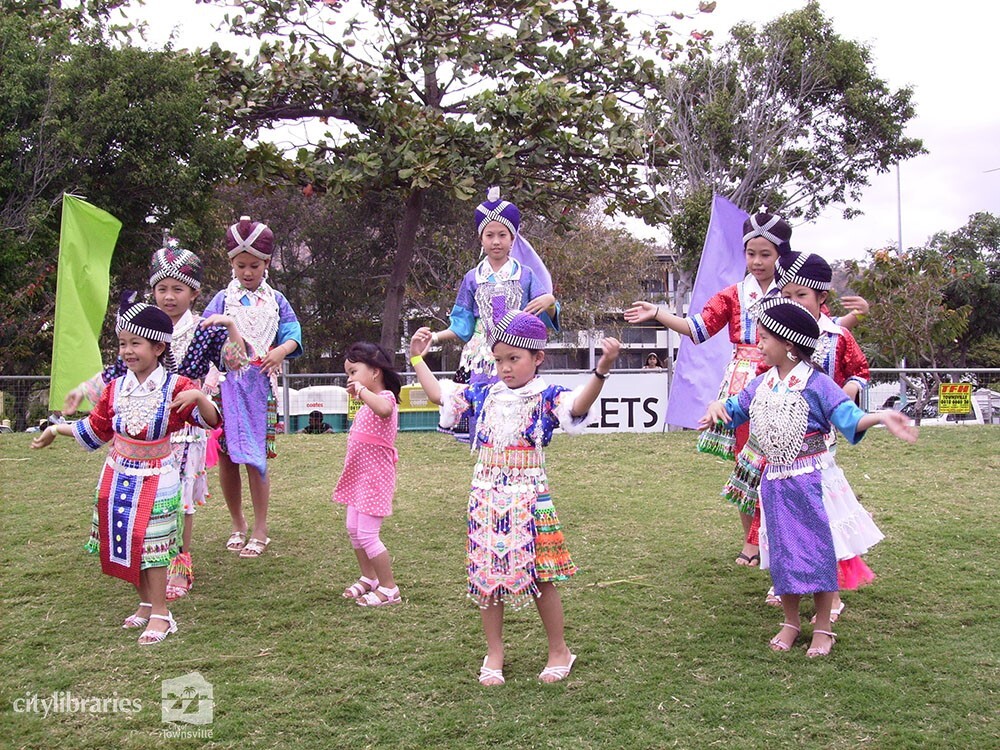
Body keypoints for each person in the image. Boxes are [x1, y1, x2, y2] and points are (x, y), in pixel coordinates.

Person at [409, 298, 620, 685]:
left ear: (537, 357)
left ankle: (560, 650)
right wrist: (418, 361)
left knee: (542, 576)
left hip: (530, 495)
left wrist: (601, 370)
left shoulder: (546, 395)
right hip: (486, 495)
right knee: (487, 577)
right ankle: (495, 651)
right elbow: (443, 397)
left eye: (514, 359)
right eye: (499, 359)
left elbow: (577, 405)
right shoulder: (484, 392)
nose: (505, 367)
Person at [699, 299, 917, 657]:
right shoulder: (762, 384)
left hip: (811, 479)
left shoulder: (818, 384)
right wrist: (715, 408)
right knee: (782, 550)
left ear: (788, 344)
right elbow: (735, 410)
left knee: (818, 551)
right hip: (775, 481)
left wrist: (879, 417)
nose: (760, 345)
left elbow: (848, 418)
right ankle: (790, 621)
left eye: (765, 338)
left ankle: (823, 626)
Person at [33, 293, 222, 644]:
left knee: (151, 545)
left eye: (136, 343)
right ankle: (147, 604)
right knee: (128, 541)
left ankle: (163, 615)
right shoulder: (116, 388)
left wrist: (200, 397)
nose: (127, 351)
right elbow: (96, 429)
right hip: (118, 473)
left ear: (158, 348)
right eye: (122, 344)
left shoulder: (176, 386)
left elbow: (210, 421)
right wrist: (54, 429)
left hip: (156, 475)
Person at [64, 241, 248, 600]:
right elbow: (119, 369)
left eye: (177, 288)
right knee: (146, 496)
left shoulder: (205, 329)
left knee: (181, 498)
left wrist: (230, 325)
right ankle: (148, 559)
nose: (169, 296)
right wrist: (82, 389)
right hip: (146, 424)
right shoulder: (142, 327)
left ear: (193, 293)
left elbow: (236, 364)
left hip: (185, 424)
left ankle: (180, 561)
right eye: (161, 288)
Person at [726, 252, 871, 615]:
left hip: (819, 437)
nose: (793, 302)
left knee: (823, 519)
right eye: (786, 295)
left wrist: (848, 392)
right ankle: (787, 579)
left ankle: (829, 593)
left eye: (801, 295)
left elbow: (859, 370)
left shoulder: (838, 335)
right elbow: (759, 387)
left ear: (822, 297)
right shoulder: (776, 335)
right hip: (775, 435)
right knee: (781, 514)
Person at [419, 188, 559, 441]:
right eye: (490, 235)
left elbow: (546, 310)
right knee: (482, 410)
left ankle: (519, 451)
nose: (496, 241)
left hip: (517, 352)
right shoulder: (472, 278)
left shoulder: (525, 274)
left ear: (512, 239)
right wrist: (435, 338)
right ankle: (485, 456)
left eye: (502, 235)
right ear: (481, 239)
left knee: (518, 409)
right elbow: (463, 325)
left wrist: (550, 301)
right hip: (481, 356)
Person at [202, 216, 304, 559]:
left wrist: (280, 350)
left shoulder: (277, 300)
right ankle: (237, 523)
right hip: (224, 386)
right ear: (231, 263)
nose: (248, 272)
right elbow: (206, 338)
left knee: (256, 459)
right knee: (228, 458)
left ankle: (261, 528)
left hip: (260, 386)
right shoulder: (221, 300)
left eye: (254, 265)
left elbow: (293, 334)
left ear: (267, 264)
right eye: (241, 265)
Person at [334, 342, 403, 606]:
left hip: (375, 479)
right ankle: (369, 577)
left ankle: (389, 588)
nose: (350, 379)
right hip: (359, 477)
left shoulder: (384, 399)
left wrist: (361, 391)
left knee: (367, 535)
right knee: (353, 529)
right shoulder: (365, 403)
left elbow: (384, 410)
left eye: (354, 372)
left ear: (375, 372)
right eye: (348, 374)